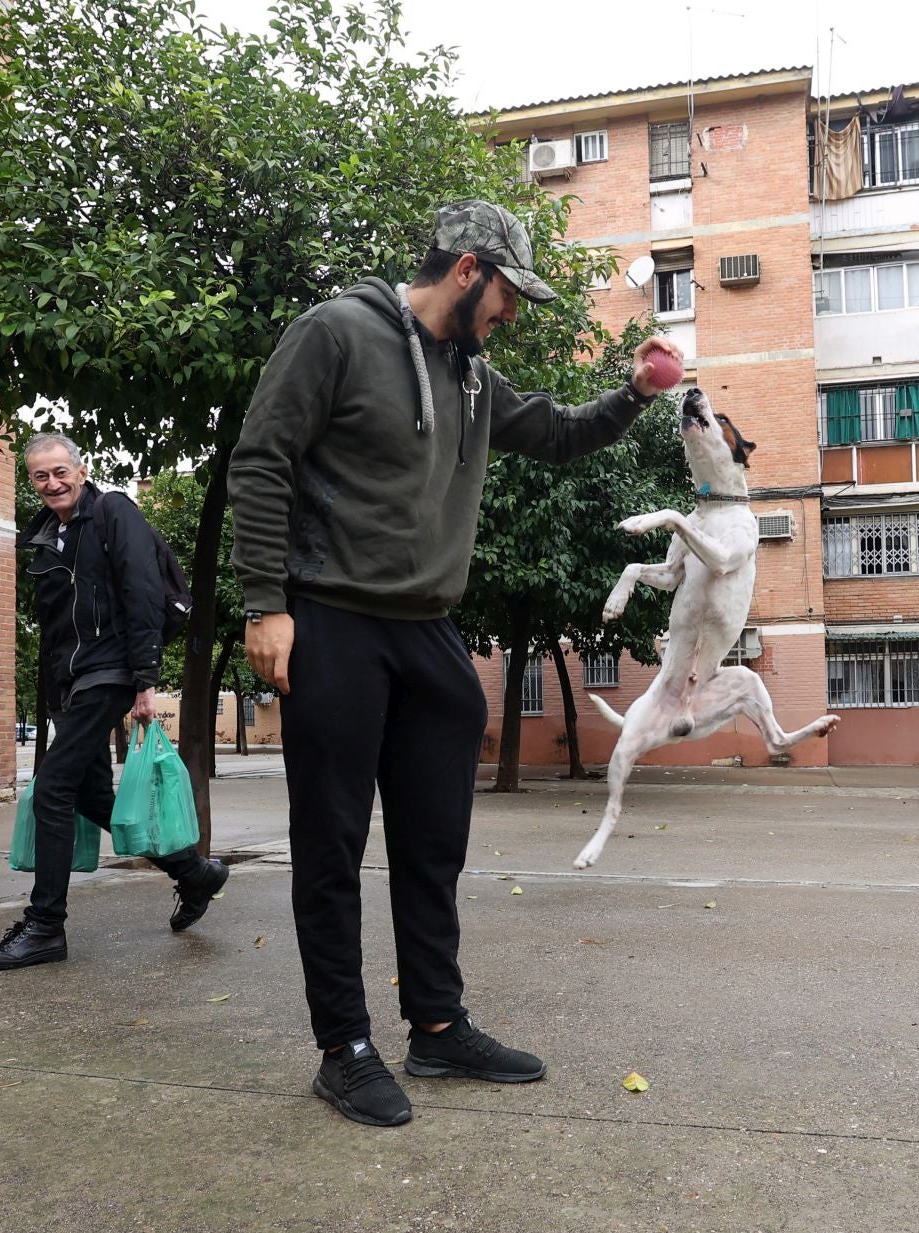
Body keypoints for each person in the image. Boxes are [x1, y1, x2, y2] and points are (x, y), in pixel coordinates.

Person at [229, 200, 683, 1127]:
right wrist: (264, 604)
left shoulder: (470, 375)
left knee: (434, 842)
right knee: (331, 844)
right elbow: (261, 458)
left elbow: (556, 433)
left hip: (428, 626)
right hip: (333, 618)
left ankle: (436, 1025)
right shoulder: (337, 333)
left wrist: (635, 393)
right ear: (469, 269)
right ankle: (343, 1048)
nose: (512, 313)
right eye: (509, 293)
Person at [0, 433, 230, 971]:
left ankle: (45, 926)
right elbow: (53, 628)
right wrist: (53, 698)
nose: (52, 483)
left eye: (60, 471)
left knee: (52, 788)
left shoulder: (114, 512)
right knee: (89, 796)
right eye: (40, 476)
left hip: (110, 670)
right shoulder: (46, 536)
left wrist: (145, 679)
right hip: (72, 684)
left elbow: (142, 592)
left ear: (81, 470)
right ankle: (193, 872)